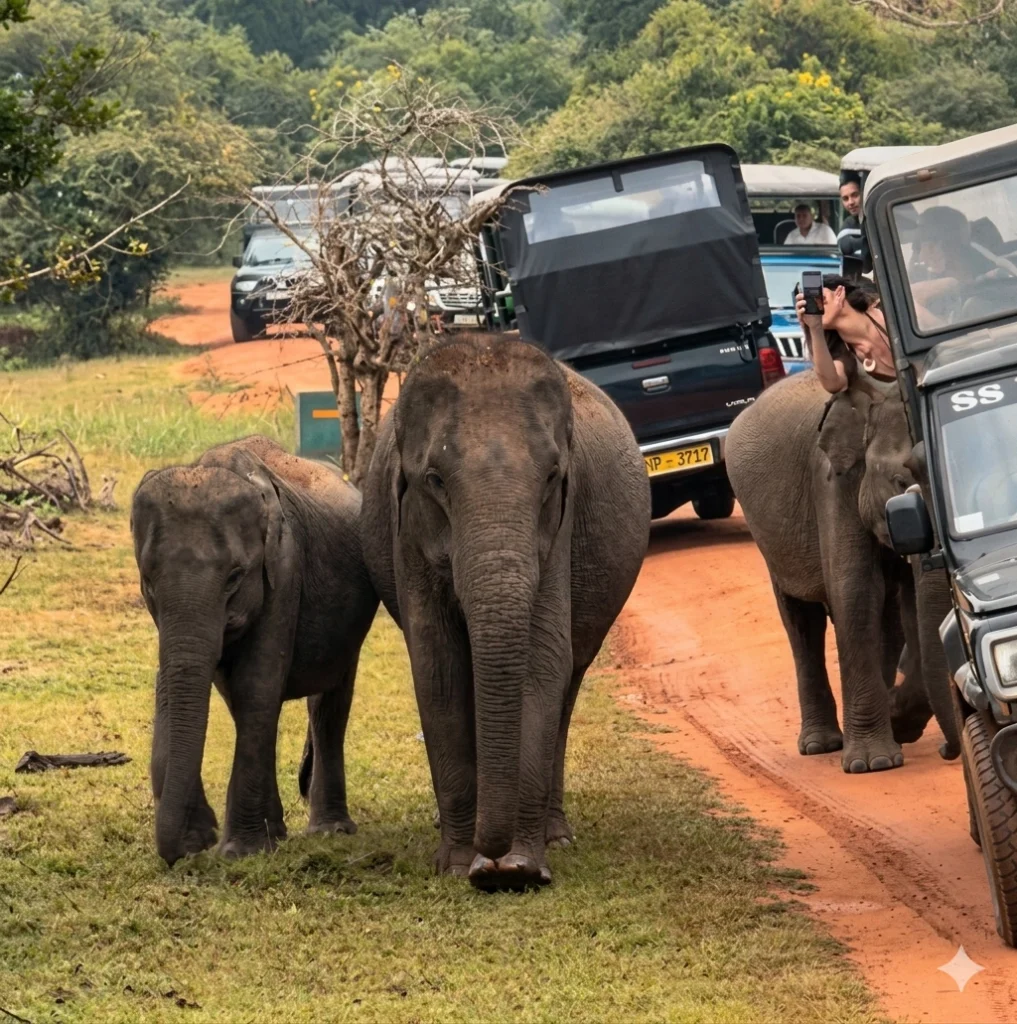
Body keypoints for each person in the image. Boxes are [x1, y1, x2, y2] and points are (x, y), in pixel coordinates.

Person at [795, 274, 895, 394]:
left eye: (822, 297)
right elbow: (833, 385)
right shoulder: (844, 353)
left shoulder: (890, 311)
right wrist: (814, 328)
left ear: (840, 292)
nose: (817, 305)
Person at [837, 172, 867, 279]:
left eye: (855, 195)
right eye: (845, 198)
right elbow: (845, 246)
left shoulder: (877, 218)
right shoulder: (848, 225)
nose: (850, 202)